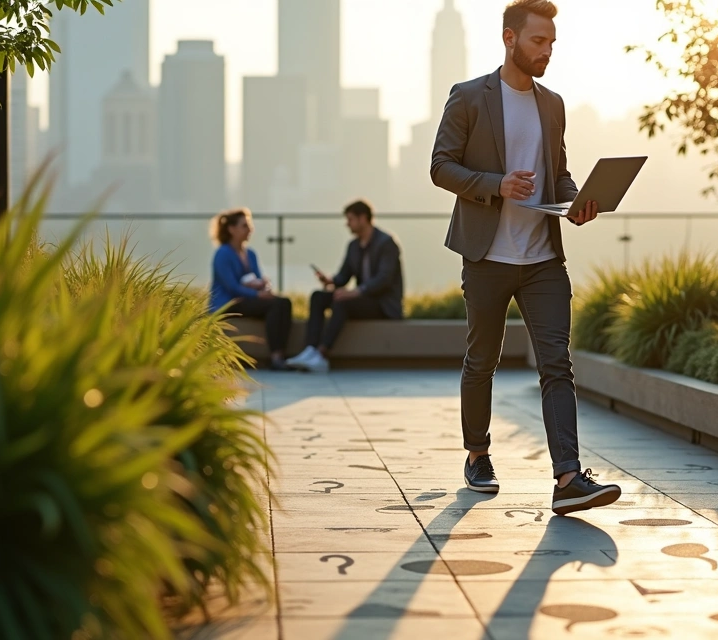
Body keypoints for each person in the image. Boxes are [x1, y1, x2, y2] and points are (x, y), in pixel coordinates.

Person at [430, 0, 621, 515]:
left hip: (542, 258)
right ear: (510, 39)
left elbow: (557, 171)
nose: (547, 52)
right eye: (539, 41)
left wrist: (576, 201)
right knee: (482, 360)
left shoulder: (552, 103)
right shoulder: (470, 97)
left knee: (557, 364)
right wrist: (497, 185)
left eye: (552, 43)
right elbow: (441, 167)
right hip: (487, 255)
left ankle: (567, 479)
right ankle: (478, 454)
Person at [287, 200, 404, 373]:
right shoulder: (353, 246)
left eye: (350, 219)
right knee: (318, 297)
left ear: (363, 218)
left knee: (342, 302)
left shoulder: (387, 243)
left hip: (382, 304)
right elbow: (344, 276)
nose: (347, 224)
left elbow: (384, 280)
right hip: (362, 299)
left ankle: (322, 355)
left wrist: (356, 292)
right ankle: (310, 349)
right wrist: (330, 281)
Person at [209, 207, 293, 370]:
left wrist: (263, 287)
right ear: (231, 229)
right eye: (245, 226)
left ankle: (281, 354)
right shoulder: (223, 254)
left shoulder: (250, 254)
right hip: (229, 303)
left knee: (284, 302)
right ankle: (275, 357)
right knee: (274, 305)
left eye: (250, 225)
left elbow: (257, 278)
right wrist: (258, 294)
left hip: (247, 299)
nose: (250, 229)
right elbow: (232, 287)